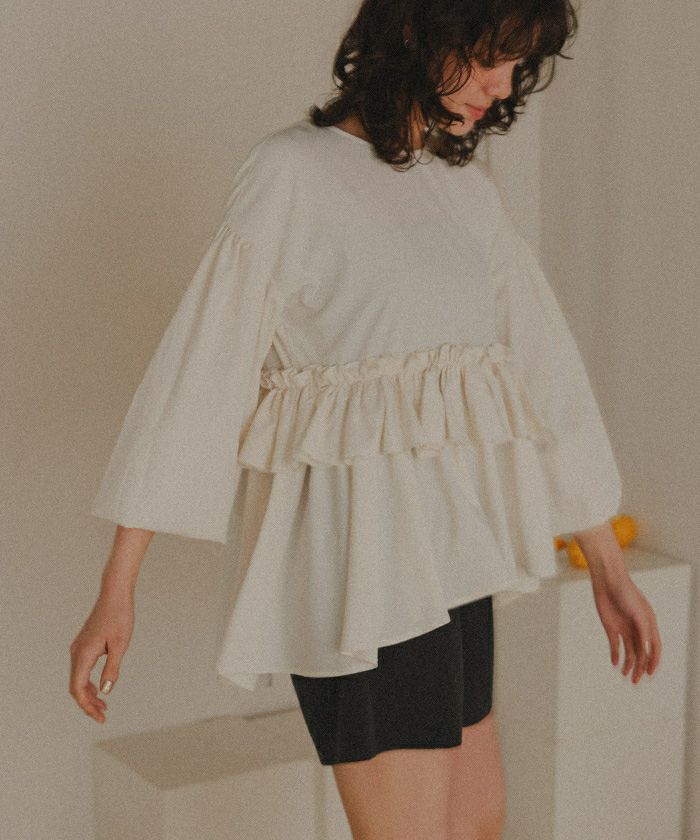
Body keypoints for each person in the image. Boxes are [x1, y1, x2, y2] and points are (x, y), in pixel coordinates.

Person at [69, 1, 662, 838]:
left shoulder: (464, 190)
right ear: (416, 31)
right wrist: (117, 588)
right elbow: (198, 373)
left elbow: (542, 368)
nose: (500, 86)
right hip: (359, 571)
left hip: (454, 562)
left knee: (479, 828)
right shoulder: (291, 173)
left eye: (515, 65)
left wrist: (606, 560)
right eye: (487, 57)